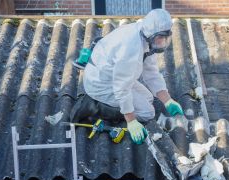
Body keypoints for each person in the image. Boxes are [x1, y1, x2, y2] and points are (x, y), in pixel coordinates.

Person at [71, 9, 184, 145]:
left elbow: (152, 73)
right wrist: (131, 121)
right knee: (147, 113)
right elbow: (121, 88)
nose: (162, 41)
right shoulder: (130, 49)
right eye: (160, 37)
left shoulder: (146, 37)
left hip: (112, 76)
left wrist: (168, 100)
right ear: (152, 34)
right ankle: (95, 106)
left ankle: (116, 107)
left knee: (149, 98)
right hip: (101, 83)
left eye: (165, 37)